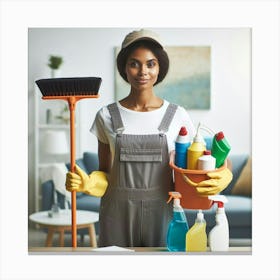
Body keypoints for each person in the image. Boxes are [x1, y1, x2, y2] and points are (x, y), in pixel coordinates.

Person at [65, 29, 232, 247]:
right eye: (134, 63)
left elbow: (201, 161)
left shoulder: (177, 115)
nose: (143, 71)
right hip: (117, 214)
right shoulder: (106, 116)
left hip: (164, 212)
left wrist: (225, 173)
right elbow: (106, 174)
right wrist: (88, 183)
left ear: (159, 67)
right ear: (124, 67)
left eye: (150, 64)